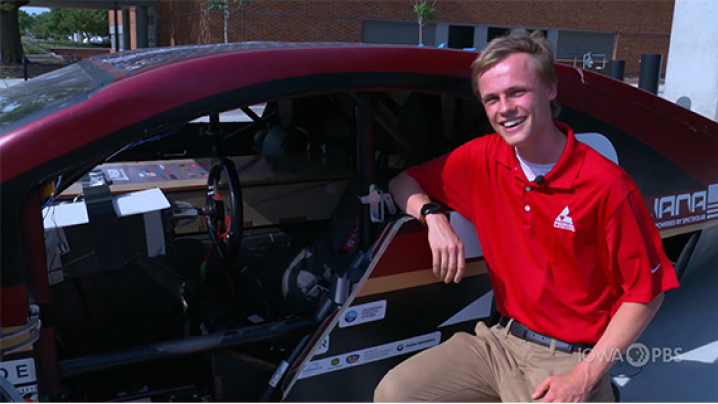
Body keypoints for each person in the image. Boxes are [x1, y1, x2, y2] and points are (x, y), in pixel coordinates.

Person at [374, 29, 679, 402]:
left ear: (550, 89)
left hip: (569, 356)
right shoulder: (483, 158)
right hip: (500, 342)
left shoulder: (606, 185)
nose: (504, 108)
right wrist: (433, 217)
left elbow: (646, 295)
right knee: (397, 392)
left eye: (517, 92)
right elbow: (402, 183)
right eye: (491, 99)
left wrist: (583, 378)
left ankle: (600, 392)